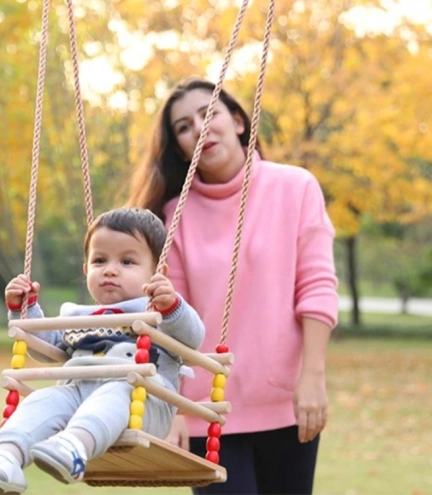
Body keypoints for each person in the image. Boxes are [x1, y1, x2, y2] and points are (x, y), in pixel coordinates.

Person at [128, 77, 339, 495]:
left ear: (239, 121)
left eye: (209, 113)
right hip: (207, 410)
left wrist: (313, 378)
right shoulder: (175, 214)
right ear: (180, 146)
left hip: (289, 405)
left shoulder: (295, 187)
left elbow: (316, 287)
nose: (199, 129)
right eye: (184, 126)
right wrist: (173, 409)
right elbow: (169, 323)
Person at [0, 206, 205, 495]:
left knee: (118, 390)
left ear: (156, 272)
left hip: (143, 400)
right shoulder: (79, 315)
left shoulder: (158, 309)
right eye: (100, 260)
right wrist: (23, 308)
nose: (110, 269)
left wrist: (173, 305)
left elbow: (193, 338)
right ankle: (6, 458)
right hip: (78, 393)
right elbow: (46, 346)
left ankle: (74, 445)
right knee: (44, 400)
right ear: (86, 268)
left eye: (127, 261)